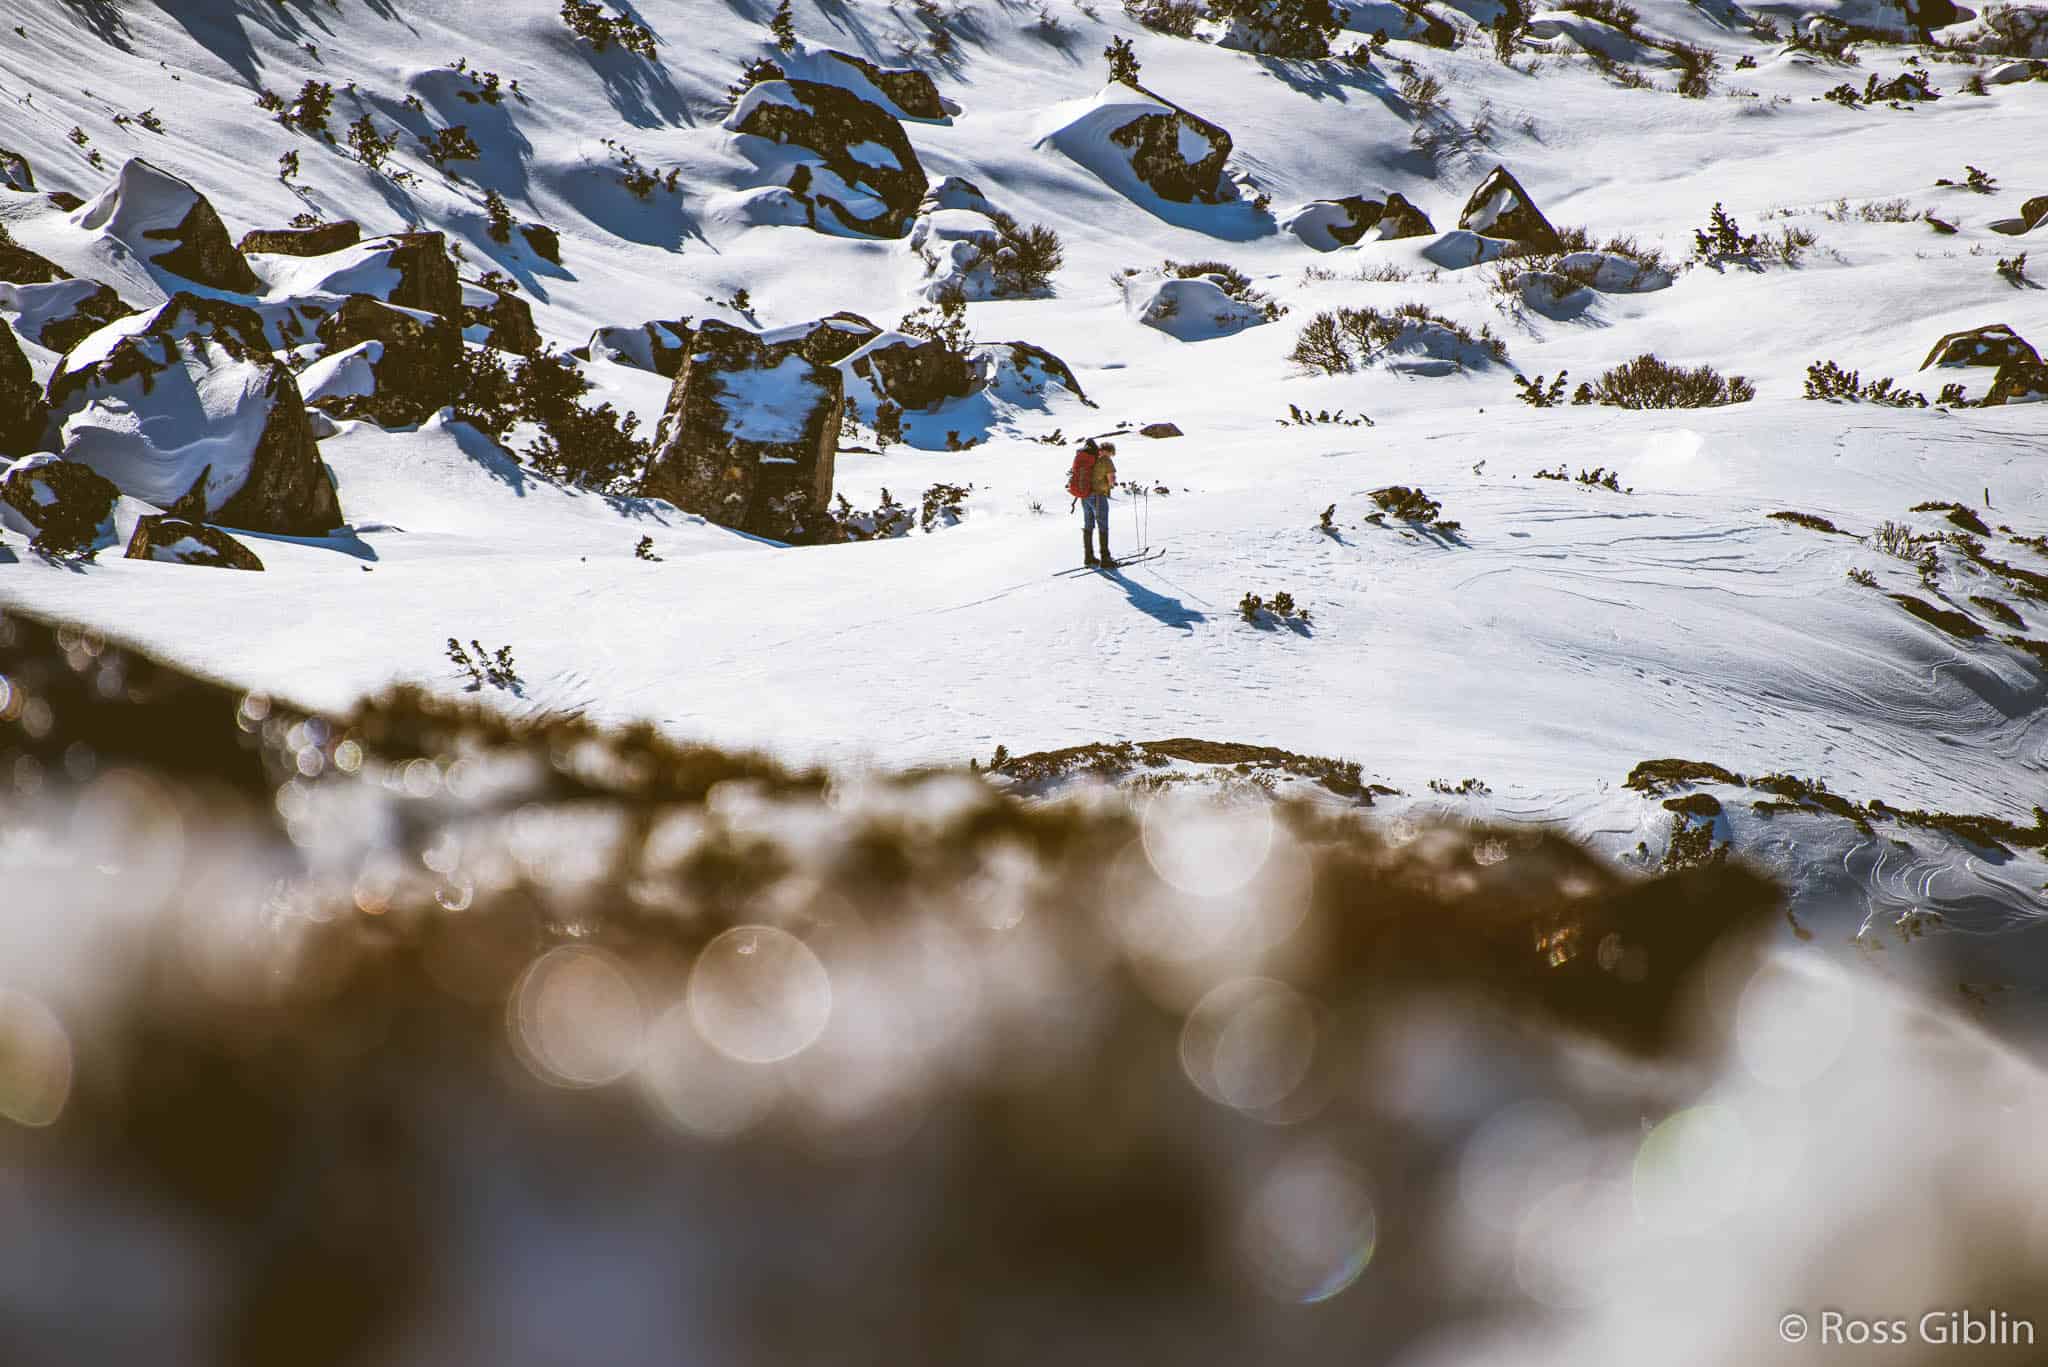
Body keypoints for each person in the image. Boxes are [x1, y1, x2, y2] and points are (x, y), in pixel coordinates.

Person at [1067, 438, 1118, 568]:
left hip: (1085, 495)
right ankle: (1105, 558)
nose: (1112, 456)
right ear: (1109, 451)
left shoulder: (1092, 458)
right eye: (1112, 454)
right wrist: (1111, 485)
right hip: (1098, 496)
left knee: (1088, 525)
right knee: (1103, 525)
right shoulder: (1105, 460)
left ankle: (1089, 557)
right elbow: (1111, 479)